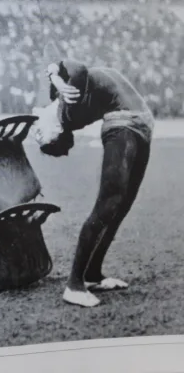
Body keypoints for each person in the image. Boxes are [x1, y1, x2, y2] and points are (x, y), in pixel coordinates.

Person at [34, 59, 153, 308]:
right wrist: (56, 76)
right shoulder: (66, 109)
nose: (36, 127)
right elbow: (78, 68)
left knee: (119, 207)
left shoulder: (62, 101)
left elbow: (53, 57)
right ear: (56, 130)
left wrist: (54, 77)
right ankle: (74, 285)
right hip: (125, 126)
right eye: (40, 134)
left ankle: (91, 275)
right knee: (109, 205)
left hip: (137, 125)